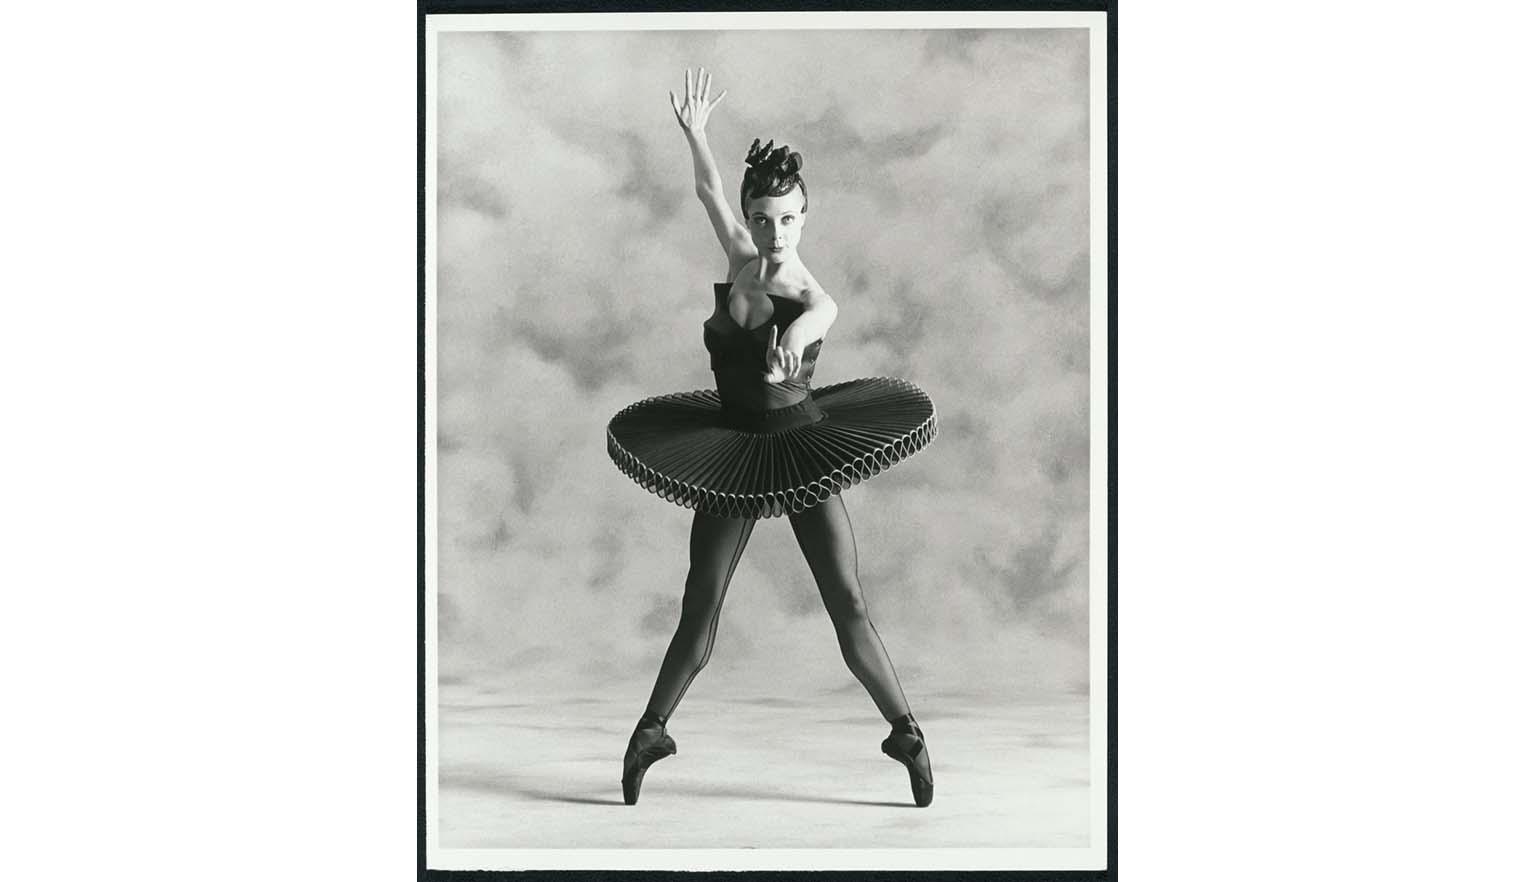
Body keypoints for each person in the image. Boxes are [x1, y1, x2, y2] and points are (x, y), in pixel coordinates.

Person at [606, 68, 936, 808]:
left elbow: (822, 316)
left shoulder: (808, 294)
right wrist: (695, 135)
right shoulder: (741, 260)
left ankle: (908, 734)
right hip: (734, 448)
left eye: (788, 221)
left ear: (805, 219)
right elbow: (707, 195)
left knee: (846, 602)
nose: (774, 234)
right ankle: (649, 733)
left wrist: (794, 350)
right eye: (764, 219)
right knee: (701, 601)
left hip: (799, 448)